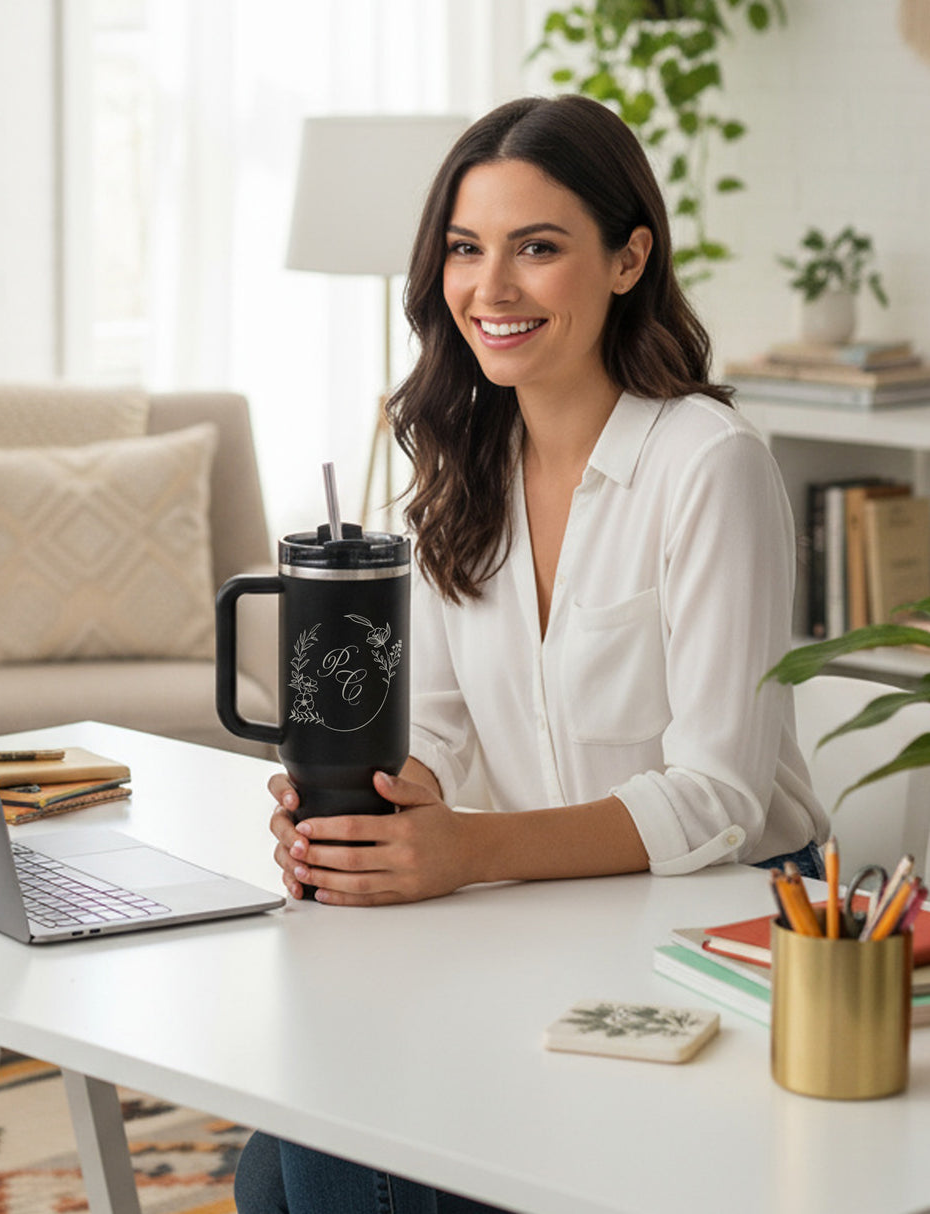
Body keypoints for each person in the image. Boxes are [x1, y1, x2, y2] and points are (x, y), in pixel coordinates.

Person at [234, 94, 829, 1214]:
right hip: (537, 907)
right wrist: (375, 815)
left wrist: (461, 852)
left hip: (720, 920)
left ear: (626, 258)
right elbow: (449, 734)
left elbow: (716, 798)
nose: (489, 288)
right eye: (465, 248)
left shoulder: (708, 466)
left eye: (536, 248)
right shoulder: (464, 466)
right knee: (281, 1156)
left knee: (355, 1175)